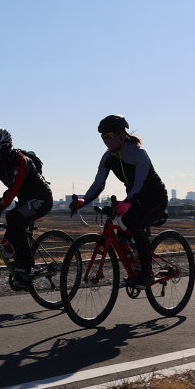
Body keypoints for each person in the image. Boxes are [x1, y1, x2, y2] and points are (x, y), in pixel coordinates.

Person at [70, 114, 168, 289]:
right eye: (103, 137)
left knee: (136, 225)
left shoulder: (138, 153)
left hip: (154, 198)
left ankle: (147, 273)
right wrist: (83, 200)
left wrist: (128, 202)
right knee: (121, 234)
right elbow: (98, 183)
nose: (106, 140)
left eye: (109, 136)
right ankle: (136, 261)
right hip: (133, 199)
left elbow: (141, 184)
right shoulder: (108, 157)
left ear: (122, 134)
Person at [0, 128, 54, 284]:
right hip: (25, 201)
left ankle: (25, 264)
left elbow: (13, 189)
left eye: (3, 146)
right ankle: (21, 272)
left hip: (41, 199)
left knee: (13, 216)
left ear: (10, 144)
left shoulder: (21, 160)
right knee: (10, 238)